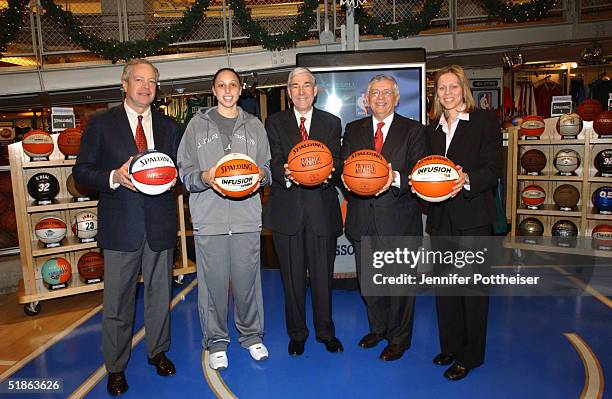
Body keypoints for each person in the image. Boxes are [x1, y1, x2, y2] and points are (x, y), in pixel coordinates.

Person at [73, 58, 180, 396]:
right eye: (138, 80)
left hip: (160, 224)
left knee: (160, 296)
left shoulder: (168, 126)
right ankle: (116, 367)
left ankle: (158, 351)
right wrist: (114, 177)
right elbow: (82, 172)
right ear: (124, 84)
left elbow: (176, 172)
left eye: (151, 81)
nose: (145, 86)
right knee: (118, 302)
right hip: (121, 227)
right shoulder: (101, 124)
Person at [177, 68, 271, 371]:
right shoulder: (195, 126)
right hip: (210, 218)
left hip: (245, 218)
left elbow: (268, 168)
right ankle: (216, 341)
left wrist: (261, 175)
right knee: (212, 285)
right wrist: (205, 177)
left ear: (240, 88)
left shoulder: (255, 125)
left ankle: (251, 335)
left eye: (232, 85)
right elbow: (185, 173)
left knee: (248, 283)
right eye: (221, 85)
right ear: (213, 90)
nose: (227, 90)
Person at [424, 64, 502, 381]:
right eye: (442, 88)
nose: (447, 93)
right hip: (442, 219)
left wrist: (466, 179)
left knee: (472, 291)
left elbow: (494, 167)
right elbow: (426, 171)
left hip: (473, 218)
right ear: (436, 94)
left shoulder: (484, 121)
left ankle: (471, 356)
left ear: (463, 88)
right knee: (446, 290)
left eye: (453, 86)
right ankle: (451, 346)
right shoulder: (431, 129)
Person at [340, 74, 426, 361]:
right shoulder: (353, 130)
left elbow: (419, 175)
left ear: (396, 97)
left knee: (400, 286)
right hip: (362, 219)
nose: (380, 97)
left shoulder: (413, 130)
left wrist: (393, 178)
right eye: (374, 92)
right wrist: (353, 182)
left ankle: (400, 339)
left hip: (399, 220)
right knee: (370, 283)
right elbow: (344, 170)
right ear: (367, 98)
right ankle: (378, 329)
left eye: (386, 92)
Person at [264, 67, 344, 356]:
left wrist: (326, 172)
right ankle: (297, 333)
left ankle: (326, 332)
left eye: (306, 85)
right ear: (288, 93)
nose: (301, 91)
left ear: (315, 90)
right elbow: (271, 161)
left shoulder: (332, 122)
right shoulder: (274, 122)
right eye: (294, 86)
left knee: (323, 279)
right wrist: (286, 173)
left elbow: (337, 161)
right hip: (287, 211)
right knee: (292, 279)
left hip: (321, 210)